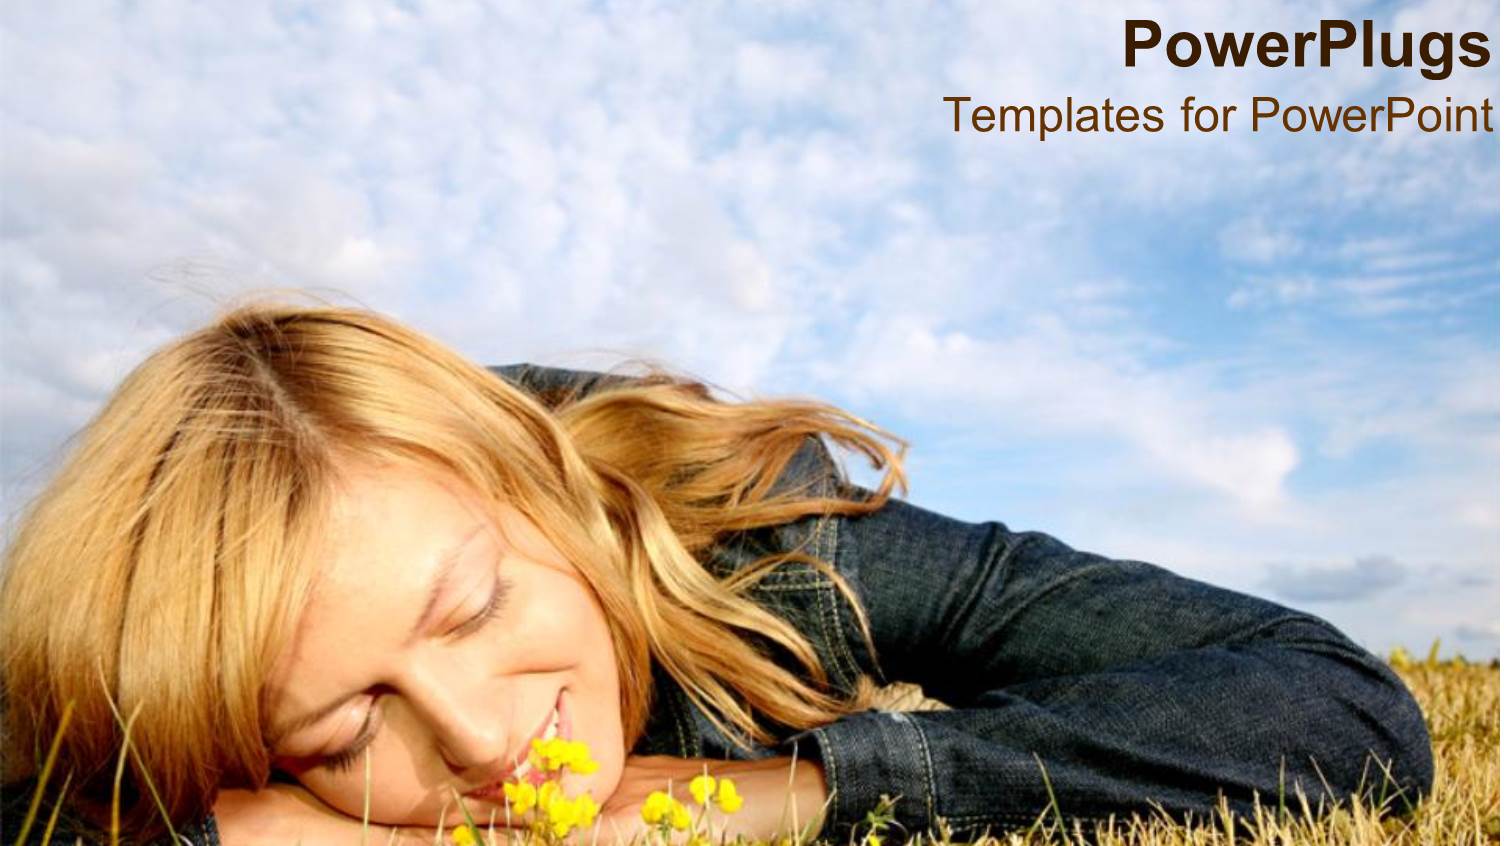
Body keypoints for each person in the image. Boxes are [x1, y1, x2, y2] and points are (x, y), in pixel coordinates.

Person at [0, 301, 1435, 845]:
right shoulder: (151, 671)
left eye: (481, 603)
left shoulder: (758, 531)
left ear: (546, 497)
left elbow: (1338, 708)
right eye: (338, 727)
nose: (489, 739)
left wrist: (794, 790)